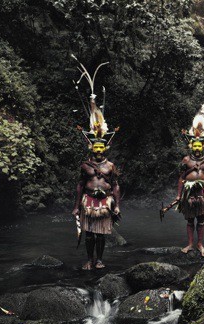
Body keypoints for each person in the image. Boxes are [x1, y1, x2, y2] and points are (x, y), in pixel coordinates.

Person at [71, 60, 120, 270]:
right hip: (88, 202)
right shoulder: (85, 166)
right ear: (92, 148)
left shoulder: (111, 166)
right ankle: (89, 259)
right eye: (95, 147)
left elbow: (116, 185)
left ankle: (99, 259)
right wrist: (75, 206)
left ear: (105, 148)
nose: (98, 150)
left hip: (104, 202)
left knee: (101, 234)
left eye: (101, 148)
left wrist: (117, 204)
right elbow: (81, 185)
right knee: (89, 234)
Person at [163, 104, 204, 255]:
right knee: (189, 220)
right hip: (188, 194)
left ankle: (200, 244)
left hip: (202, 194)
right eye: (195, 145)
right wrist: (179, 195)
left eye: (200, 145)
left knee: (200, 220)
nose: (198, 147)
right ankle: (189, 244)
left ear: (203, 146)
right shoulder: (186, 160)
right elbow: (181, 178)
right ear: (191, 145)